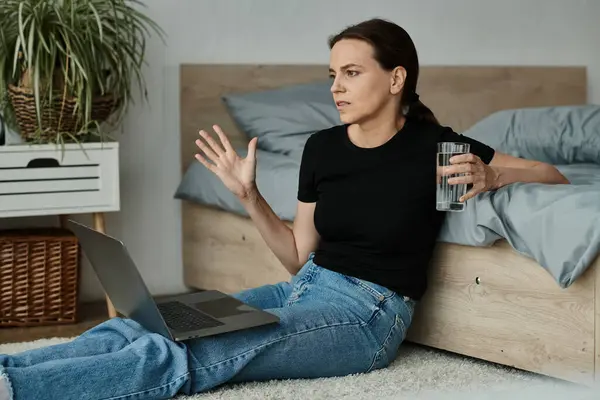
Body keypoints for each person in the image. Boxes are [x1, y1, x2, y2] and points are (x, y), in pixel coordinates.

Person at [0, 18, 569, 400]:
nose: (336, 87)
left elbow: (551, 174)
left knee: (183, 352)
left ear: (396, 79)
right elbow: (299, 257)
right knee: (148, 322)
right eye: (332, 75)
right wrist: (249, 196)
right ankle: (9, 371)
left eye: (351, 73)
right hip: (307, 287)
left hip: (370, 316)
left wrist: (492, 175)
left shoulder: (438, 147)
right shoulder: (321, 148)